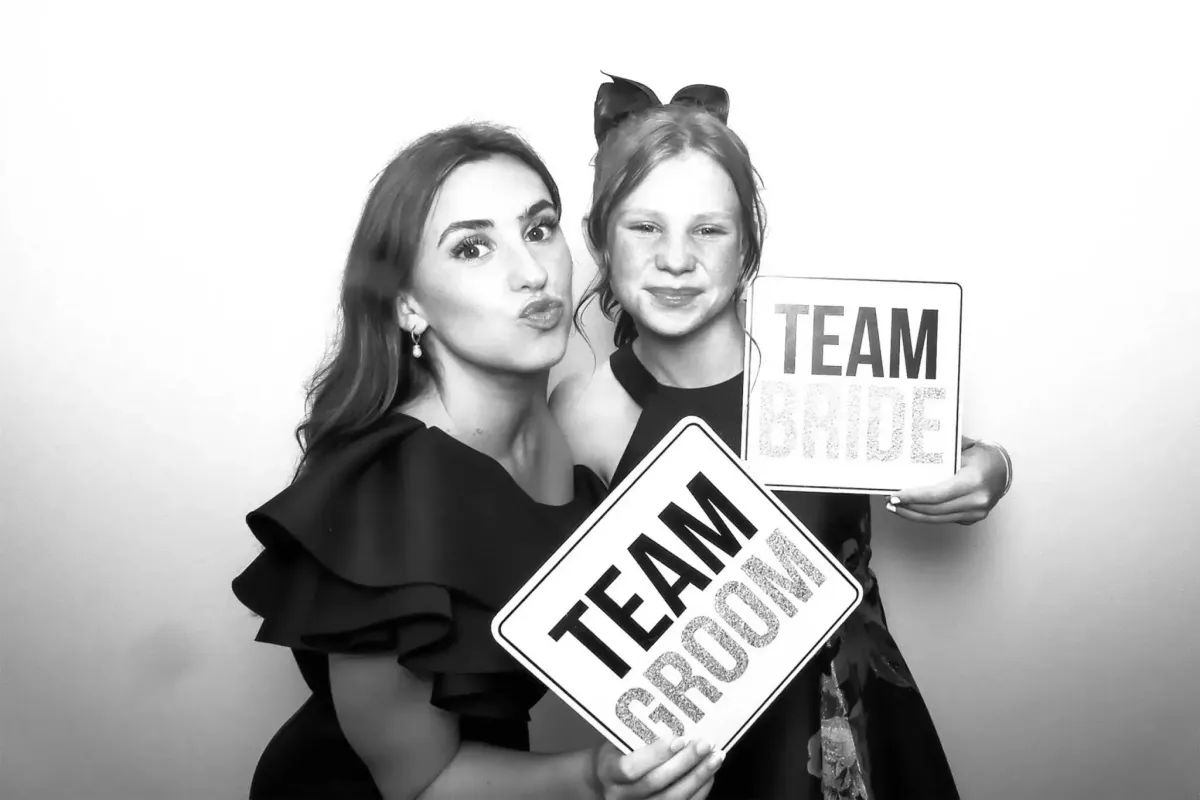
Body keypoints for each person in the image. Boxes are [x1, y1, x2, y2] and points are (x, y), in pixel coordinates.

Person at [552, 75, 1015, 800]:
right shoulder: (578, 411)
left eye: (709, 229)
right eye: (645, 227)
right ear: (600, 240)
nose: (677, 259)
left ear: (747, 247)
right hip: (691, 763)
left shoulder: (818, 361)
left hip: (858, 734)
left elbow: (963, 458)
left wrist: (991, 468)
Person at [232, 123, 725, 800]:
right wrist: (594, 778)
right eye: (472, 247)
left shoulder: (571, 435)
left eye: (540, 229)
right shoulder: (387, 492)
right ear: (407, 304)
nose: (531, 272)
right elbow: (419, 782)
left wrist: (911, 451)